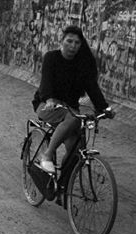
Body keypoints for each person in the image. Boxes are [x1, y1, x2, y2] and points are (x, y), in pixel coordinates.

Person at [32, 25, 114, 174]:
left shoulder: (82, 65)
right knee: (73, 119)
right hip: (47, 106)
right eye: (69, 41)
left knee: (76, 152)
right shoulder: (51, 58)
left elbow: (92, 88)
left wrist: (104, 108)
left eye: (77, 43)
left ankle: (61, 188)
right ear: (61, 41)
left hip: (70, 108)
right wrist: (50, 100)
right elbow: (46, 83)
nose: (73, 46)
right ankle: (48, 155)